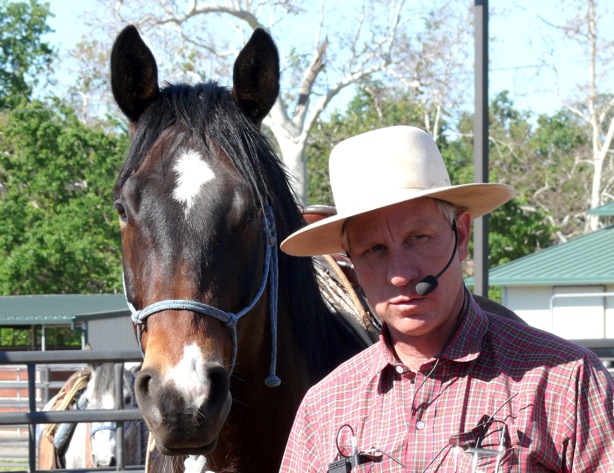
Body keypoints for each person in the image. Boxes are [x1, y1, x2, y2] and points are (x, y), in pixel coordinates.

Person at [279, 126, 614, 472]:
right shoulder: (323, 408)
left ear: (462, 234)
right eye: (374, 250)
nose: (400, 274)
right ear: (352, 263)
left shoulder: (565, 381)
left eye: (418, 238)